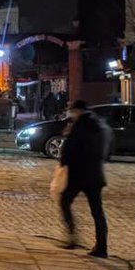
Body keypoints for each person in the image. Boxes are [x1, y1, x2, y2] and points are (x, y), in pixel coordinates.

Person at [58, 99, 111, 257]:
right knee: (97, 211)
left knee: (65, 201)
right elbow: (109, 147)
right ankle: (102, 247)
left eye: (72, 111)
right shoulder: (101, 125)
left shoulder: (80, 126)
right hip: (95, 174)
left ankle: (72, 237)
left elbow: (71, 149)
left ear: (78, 111)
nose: (71, 114)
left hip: (79, 174)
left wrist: (67, 138)